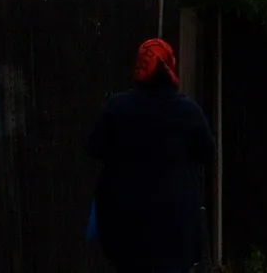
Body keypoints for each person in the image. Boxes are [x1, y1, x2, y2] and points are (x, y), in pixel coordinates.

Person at [86, 37, 215, 273]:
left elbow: (94, 148)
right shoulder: (187, 111)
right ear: (169, 66)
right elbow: (207, 152)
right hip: (175, 224)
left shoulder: (117, 107)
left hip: (126, 223)